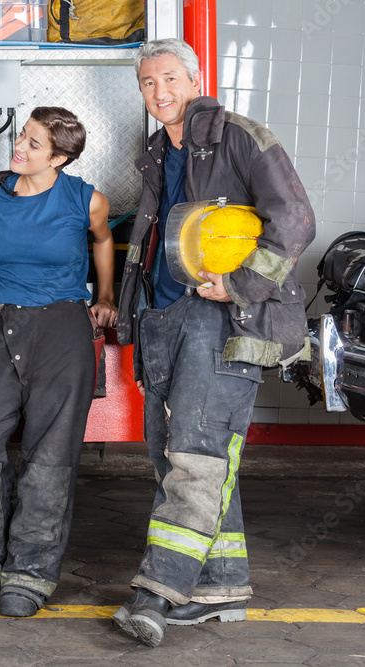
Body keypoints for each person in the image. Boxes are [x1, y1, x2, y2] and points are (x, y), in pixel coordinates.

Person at [112, 38, 315, 646]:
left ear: (195, 78)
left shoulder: (240, 136)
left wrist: (242, 283)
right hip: (164, 316)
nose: (159, 93)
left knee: (196, 455)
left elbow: (296, 218)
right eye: (148, 83)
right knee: (177, 454)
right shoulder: (155, 151)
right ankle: (220, 585)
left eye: (169, 78)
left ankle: (157, 594)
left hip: (225, 321)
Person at [0, 107, 116, 618]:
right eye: (22, 135)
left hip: (63, 330)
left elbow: (103, 240)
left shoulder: (86, 199)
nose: (19, 147)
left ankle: (29, 573)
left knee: (49, 455)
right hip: (4, 325)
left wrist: (103, 294)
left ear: (59, 157)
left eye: (34, 144)